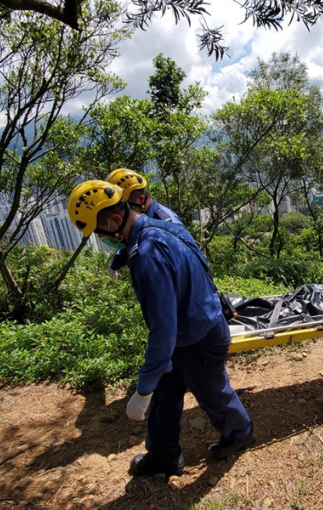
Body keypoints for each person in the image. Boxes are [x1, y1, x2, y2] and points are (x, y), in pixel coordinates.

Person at [67, 180, 254, 478]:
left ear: (115, 221)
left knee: (211, 391)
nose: (101, 239)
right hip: (195, 322)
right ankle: (164, 455)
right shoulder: (159, 226)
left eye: (100, 233)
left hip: (198, 336)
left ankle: (240, 432)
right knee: (165, 394)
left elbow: (162, 329)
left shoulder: (147, 256)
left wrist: (142, 389)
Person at [105, 168, 183, 280]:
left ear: (141, 199)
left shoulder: (168, 224)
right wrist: (116, 262)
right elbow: (136, 242)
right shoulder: (144, 221)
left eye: (126, 208)